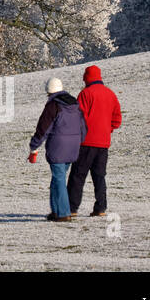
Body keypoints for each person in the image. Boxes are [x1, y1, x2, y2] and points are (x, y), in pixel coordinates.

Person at [28, 77, 86, 222]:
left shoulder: (53, 106)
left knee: (59, 179)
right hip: (73, 148)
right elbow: (83, 127)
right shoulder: (74, 103)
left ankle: (63, 213)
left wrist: (34, 146)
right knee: (57, 178)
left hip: (58, 148)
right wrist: (79, 141)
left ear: (48, 91)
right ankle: (56, 210)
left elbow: (43, 129)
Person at [68, 64, 122, 217]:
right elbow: (117, 119)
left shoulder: (85, 93)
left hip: (86, 143)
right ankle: (100, 208)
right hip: (103, 143)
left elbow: (78, 117)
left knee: (77, 176)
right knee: (99, 176)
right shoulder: (110, 94)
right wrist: (107, 129)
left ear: (87, 78)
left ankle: (72, 208)